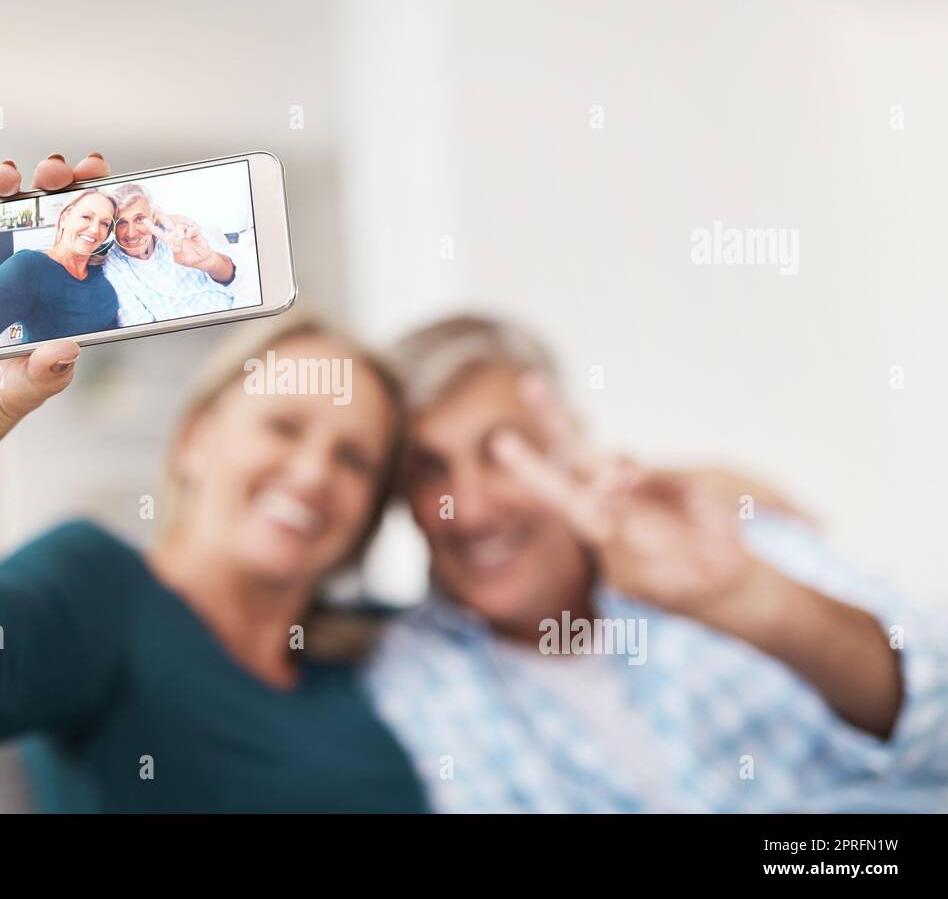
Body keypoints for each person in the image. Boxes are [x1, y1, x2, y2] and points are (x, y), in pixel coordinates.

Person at [0, 150, 425, 813]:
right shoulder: (100, 589)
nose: (315, 472)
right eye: (284, 427)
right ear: (195, 440)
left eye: (354, 459)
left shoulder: (383, 651)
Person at [365, 314, 948, 813]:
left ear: (567, 445)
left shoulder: (720, 533)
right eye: (429, 470)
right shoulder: (410, 674)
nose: (469, 510)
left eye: (505, 453)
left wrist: (750, 602)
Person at [0, 186, 119, 343]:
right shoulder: (28, 266)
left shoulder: (108, 270)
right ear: (64, 219)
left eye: (104, 224)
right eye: (86, 217)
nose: (94, 230)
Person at [100, 182, 237, 326]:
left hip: (229, 314)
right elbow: (136, 322)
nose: (131, 232)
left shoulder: (180, 232)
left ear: (154, 217)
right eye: (121, 223)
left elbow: (232, 275)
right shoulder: (112, 265)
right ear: (113, 228)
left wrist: (211, 262)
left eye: (140, 219)